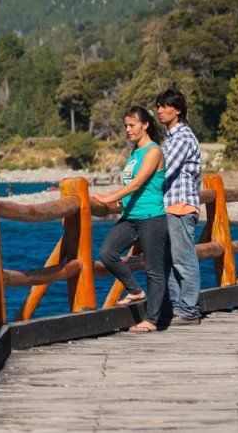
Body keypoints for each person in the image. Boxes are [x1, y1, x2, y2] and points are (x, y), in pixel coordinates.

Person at [93, 106, 169, 333]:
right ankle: (135, 290)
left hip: (151, 216)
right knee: (107, 252)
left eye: (132, 125)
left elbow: (137, 184)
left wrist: (108, 198)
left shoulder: (153, 151)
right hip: (130, 216)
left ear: (145, 125)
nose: (128, 130)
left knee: (154, 269)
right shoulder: (134, 153)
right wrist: (116, 204)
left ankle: (152, 320)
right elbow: (131, 187)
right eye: (126, 125)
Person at [156, 89, 204, 325]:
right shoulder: (171, 138)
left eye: (165, 106)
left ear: (178, 110)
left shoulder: (183, 137)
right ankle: (177, 306)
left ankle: (190, 309)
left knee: (183, 259)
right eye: (158, 106)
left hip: (181, 206)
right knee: (170, 260)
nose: (159, 111)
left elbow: (163, 168)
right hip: (170, 206)